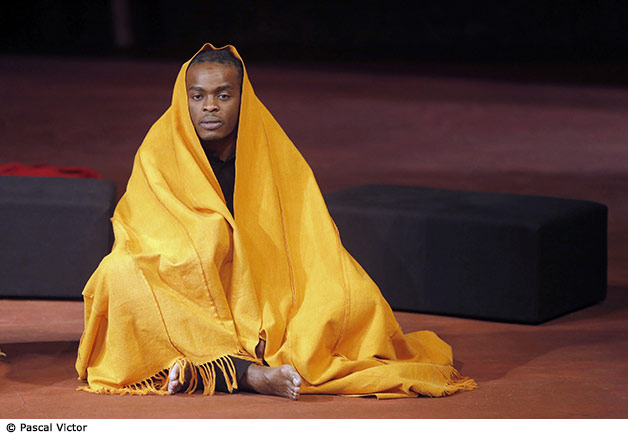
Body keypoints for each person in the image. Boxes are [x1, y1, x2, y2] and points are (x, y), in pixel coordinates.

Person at [76, 43, 476, 400]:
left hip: (265, 279)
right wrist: (208, 241)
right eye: (197, 96)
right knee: (118, 274)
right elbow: (142, 229)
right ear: (185, 100)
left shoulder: (270, 145)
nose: (209, 106)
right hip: (186, 281)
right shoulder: (158, 149)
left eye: (223, 95)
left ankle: (201, 365)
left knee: (352, 299)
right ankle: (246, 374)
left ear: (242, 98)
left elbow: (307, 229)